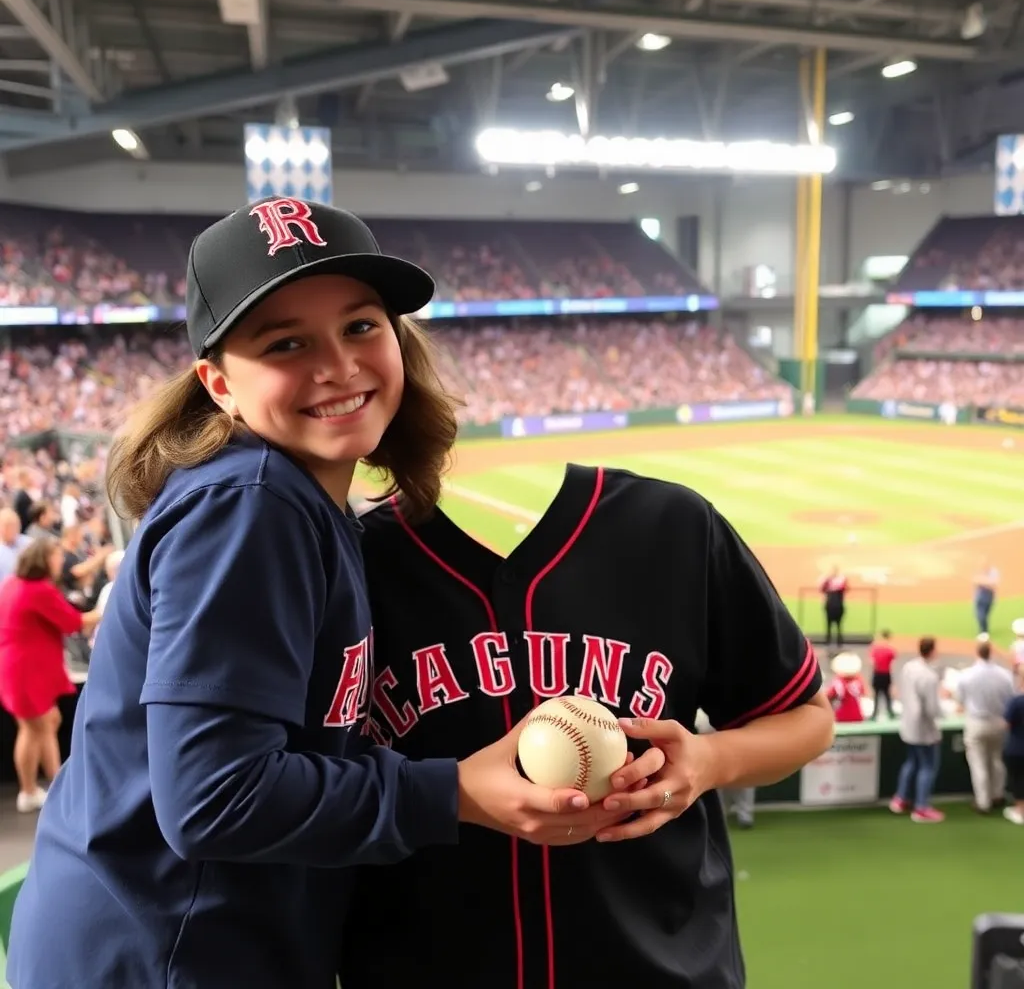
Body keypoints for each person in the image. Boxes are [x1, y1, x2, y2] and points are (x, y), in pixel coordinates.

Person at [6, 198, 644, 989]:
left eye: (361, 326)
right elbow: (212, 795)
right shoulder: (251, 505)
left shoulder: (295, 501)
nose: (337, 364)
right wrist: (452, 793)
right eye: (285, 343)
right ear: (219, 384)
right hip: (162, 953)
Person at [339, 465, 835, 989]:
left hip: (659, 965)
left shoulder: (670, 527)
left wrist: (708, 762)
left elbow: (807, 719)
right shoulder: (355, 557)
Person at [0, 537, 101, 812]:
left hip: (19, 666)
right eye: (56, 557)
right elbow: (73, 623)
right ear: (43, 560)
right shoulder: (38, 591)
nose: (61, 563)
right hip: (25, 669)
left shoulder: (14, 584)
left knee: (47, 721)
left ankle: (54, 783)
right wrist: (106, 610)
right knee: (35, 728)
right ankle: (31, 790)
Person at [955, 635, 1014, 814]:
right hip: (999, 722)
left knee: (978, 763)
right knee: (997, 760)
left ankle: (983, 802)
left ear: (977, 652)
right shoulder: (1005, 675)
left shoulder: (966, 675)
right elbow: (1011, 699)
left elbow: (960, 701)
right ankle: (997, 795)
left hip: (977, 722)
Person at [890, 637, 944, 823]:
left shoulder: (909, 667)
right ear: (932, 651)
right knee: (928, 767)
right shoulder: (929, 676)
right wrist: (942, 717)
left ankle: (901, 799)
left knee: (912, 762)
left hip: (908, 724)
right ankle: (921, 807)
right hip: (923, 728)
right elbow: (932, 709)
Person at [1002, 669, 1024, 826]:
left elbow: (1006, 724)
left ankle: (1020, 811)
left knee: (1017, 779)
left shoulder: (1016, 701)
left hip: (1017, 747)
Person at [826, 652, 866, 723]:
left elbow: (829, 694)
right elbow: (863, 693)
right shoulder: (858, 680)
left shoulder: (838, 681)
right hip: (857, 714)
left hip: (841, 715)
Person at [868, 628, 896, 720]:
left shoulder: (875, 649)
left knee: (876, 695)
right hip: (886, 674)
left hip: (877, 674)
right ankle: (890, 712)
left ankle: (874, 714)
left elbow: (872, 662)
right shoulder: (889, 650)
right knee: (887, 694)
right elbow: (893, 660)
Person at [820, 564, 848, 650]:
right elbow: (822, 588)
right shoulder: (828, 580)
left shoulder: (841, 580)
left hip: (837, 606)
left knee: (838, 625)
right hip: (830, 605)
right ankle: (828, 641)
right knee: (829, 624)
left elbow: (845, 588)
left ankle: (838, 641)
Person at [973, 559, 999, 636]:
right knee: (980, 615)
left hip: (989, 596)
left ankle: (984, 631)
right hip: (980, 596)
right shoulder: (979, 572)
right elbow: (975, 581)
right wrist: (985, 582)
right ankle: (983, 631)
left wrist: (983, 581)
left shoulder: (993, 572)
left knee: (985, 615)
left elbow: (993, 585)